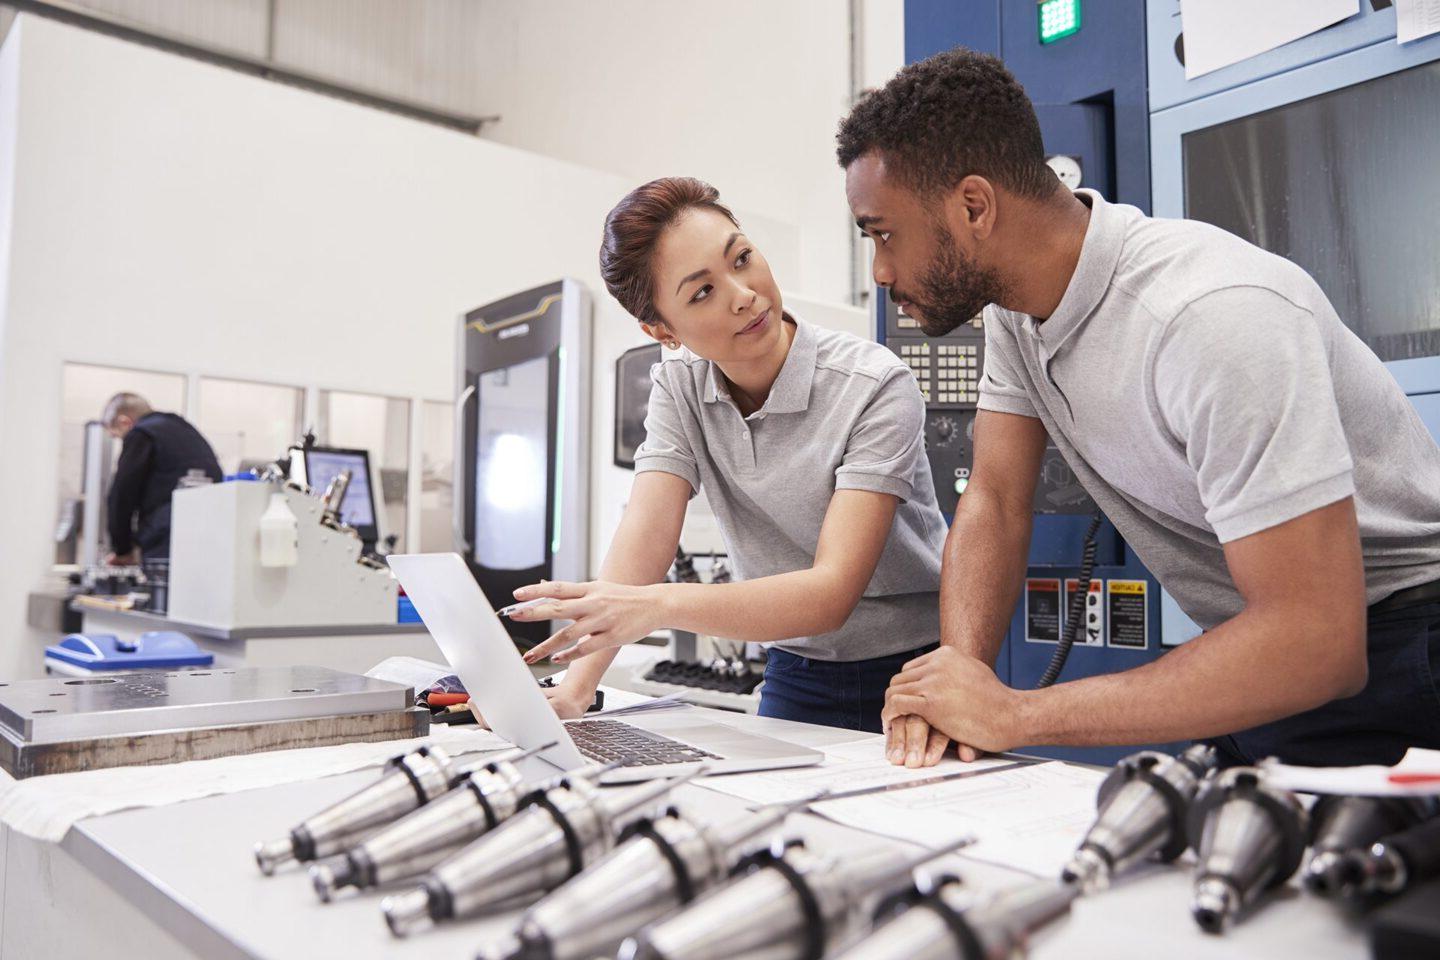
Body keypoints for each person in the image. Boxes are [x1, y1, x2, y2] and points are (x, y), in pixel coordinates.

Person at [834, 48, 1440, 768]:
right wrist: (958, 688)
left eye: (882, 234)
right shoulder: (1016, 311)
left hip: (1404, 645)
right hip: (1268, 644)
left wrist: (1016, 712)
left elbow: (1317, 643)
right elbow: (995, 499)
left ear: (973, 207)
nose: (879, 271)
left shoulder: (1208, 319)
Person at [510, 176, 948, 733]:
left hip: (914, 668)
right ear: (661, 330)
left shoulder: (873, 384)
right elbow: (647, 530)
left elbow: (831, 593)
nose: (743, 293)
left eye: (741, 258)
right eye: (702, 292)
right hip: (796, 666)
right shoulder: (679, 384)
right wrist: (576, 688)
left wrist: (657, 605)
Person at [102, 393, 224, 563]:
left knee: (163, 586)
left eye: (117, 435)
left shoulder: (141, 433)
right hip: (209, 530)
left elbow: (122, 494)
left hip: (165, 533)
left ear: (124, 422)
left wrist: (122, 549)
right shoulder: (184, 429)